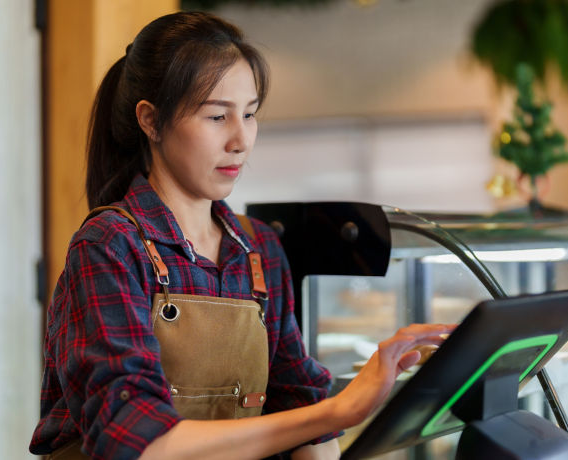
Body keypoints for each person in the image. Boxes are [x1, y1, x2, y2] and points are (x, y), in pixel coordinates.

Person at [29, 11, 453, 460]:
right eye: (217, 117)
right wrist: (338, 411)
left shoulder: (259, 250)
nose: (241, 140)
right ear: (151, 121)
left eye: (249, 115)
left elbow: (300, 407)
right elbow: (138, 445)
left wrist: (328, 424)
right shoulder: (110, 247)